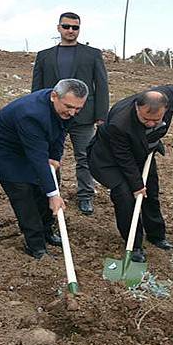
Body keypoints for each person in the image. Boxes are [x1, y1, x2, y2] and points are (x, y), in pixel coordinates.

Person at [0, 79, 88, 259]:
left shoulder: (68, 109)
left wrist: (54, 157)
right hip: (3, 153)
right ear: (54, 96)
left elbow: (60, 131)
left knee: (45, 188)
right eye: (69, 107)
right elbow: (37, 158)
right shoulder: (31, 114)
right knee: (25, 195)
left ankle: (46, 232)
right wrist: (53, 195)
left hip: (31, 147)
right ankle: (35, 245)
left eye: (78, 109)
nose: (73, 112)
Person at [87, 85, 173, 262]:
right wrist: (136, 186)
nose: (151, 123)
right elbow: (124, 159)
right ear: (137, 107)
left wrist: (153, 138)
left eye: (156, 120)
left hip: (141, 151)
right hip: (108, 158)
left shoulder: (169, 95)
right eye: (146, 119)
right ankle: (134, 244)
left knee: (150, 192)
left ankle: (156, 235)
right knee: (125, 195)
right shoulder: (119, 124)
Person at [32, 12, 109, 216]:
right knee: (50, 158)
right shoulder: (44, 56)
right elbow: (37, 89)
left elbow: (101, 85)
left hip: (83, 116)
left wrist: (101, 115)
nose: (70, 31)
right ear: (58, 28)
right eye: (66, 26)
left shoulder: (92, 54)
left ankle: (85, 196)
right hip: (52, 116)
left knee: (84, 157)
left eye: (75, 27)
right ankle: (52, 193)